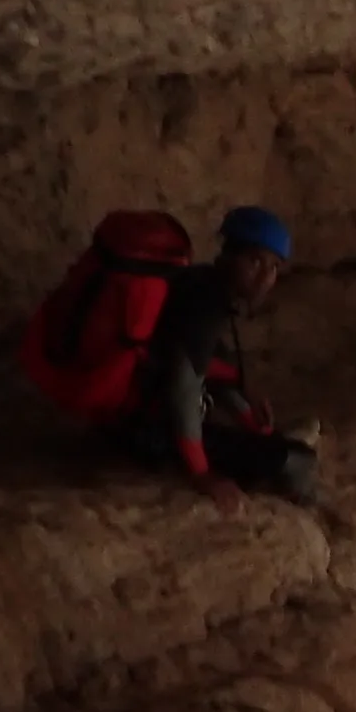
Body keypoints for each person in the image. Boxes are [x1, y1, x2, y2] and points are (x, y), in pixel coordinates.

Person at [131, 206, 320, 506]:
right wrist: (202, 474)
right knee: (295, 460)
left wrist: (256, 423)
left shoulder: (201, 284)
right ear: (228, 255)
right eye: (254, 261)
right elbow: (185, 389)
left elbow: (203, 368)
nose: (263, 278)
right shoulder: (206, 308)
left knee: (272, 448)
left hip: (137, 415)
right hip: (141, 432)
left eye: (272, 268)